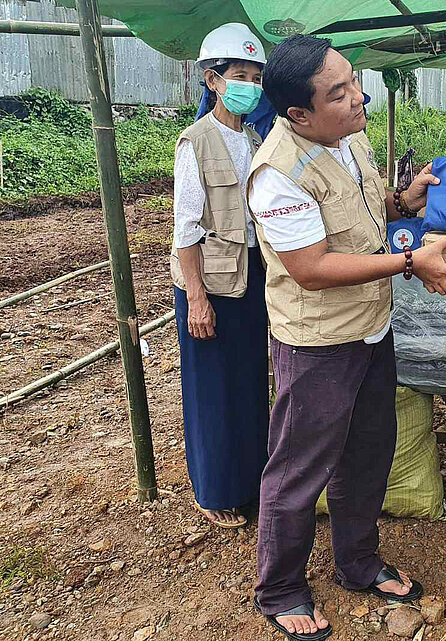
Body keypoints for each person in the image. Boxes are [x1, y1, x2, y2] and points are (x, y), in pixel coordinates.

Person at [247, 35, 446, 641]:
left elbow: (366, 210)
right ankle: (280, 589)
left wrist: (404, 201)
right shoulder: (278, 172)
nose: (357, 100)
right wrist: (408, 264)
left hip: (371, 328)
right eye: (339, 93)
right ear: (298, 113)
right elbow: (311, 268)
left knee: (370, 448)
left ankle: (357, 561)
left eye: (354, 82)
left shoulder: (347, 137)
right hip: (317, 341)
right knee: (300, 467)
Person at [170, 23, 268, 530]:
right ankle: (214, 492)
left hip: (248, 278)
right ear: (213, 80)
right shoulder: (197, 141)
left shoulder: (251, 137)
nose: (247, 84)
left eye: (254, 75)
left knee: (249, 382)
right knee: (212, 390)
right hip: (209, 284)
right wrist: (197, 298)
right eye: (238, 75)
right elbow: (184, 229)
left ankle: (249, 479)